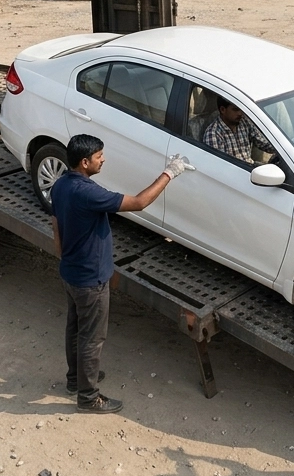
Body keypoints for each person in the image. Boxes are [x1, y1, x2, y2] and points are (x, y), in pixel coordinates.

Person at [49, 134, 194, 414]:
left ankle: (75, 379)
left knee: (75, 328)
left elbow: (55, 222)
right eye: (99, 156)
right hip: (90, 279)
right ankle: (88, 397)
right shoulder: (88, 193)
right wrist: (169, 173)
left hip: (71, 272)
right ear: (84, 162)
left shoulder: (61, 185)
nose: (103, 160)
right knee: (92, 338)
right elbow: (139, 203)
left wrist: (63, 256)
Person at [202, 96, 275, 163]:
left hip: (249, 167)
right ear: (223, 110)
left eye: (241, 109)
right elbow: (218, 164)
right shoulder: (213, 134)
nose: (240, 113)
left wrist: (278, 148)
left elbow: (263, 143)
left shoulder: (244, 122)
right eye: (235, 110)